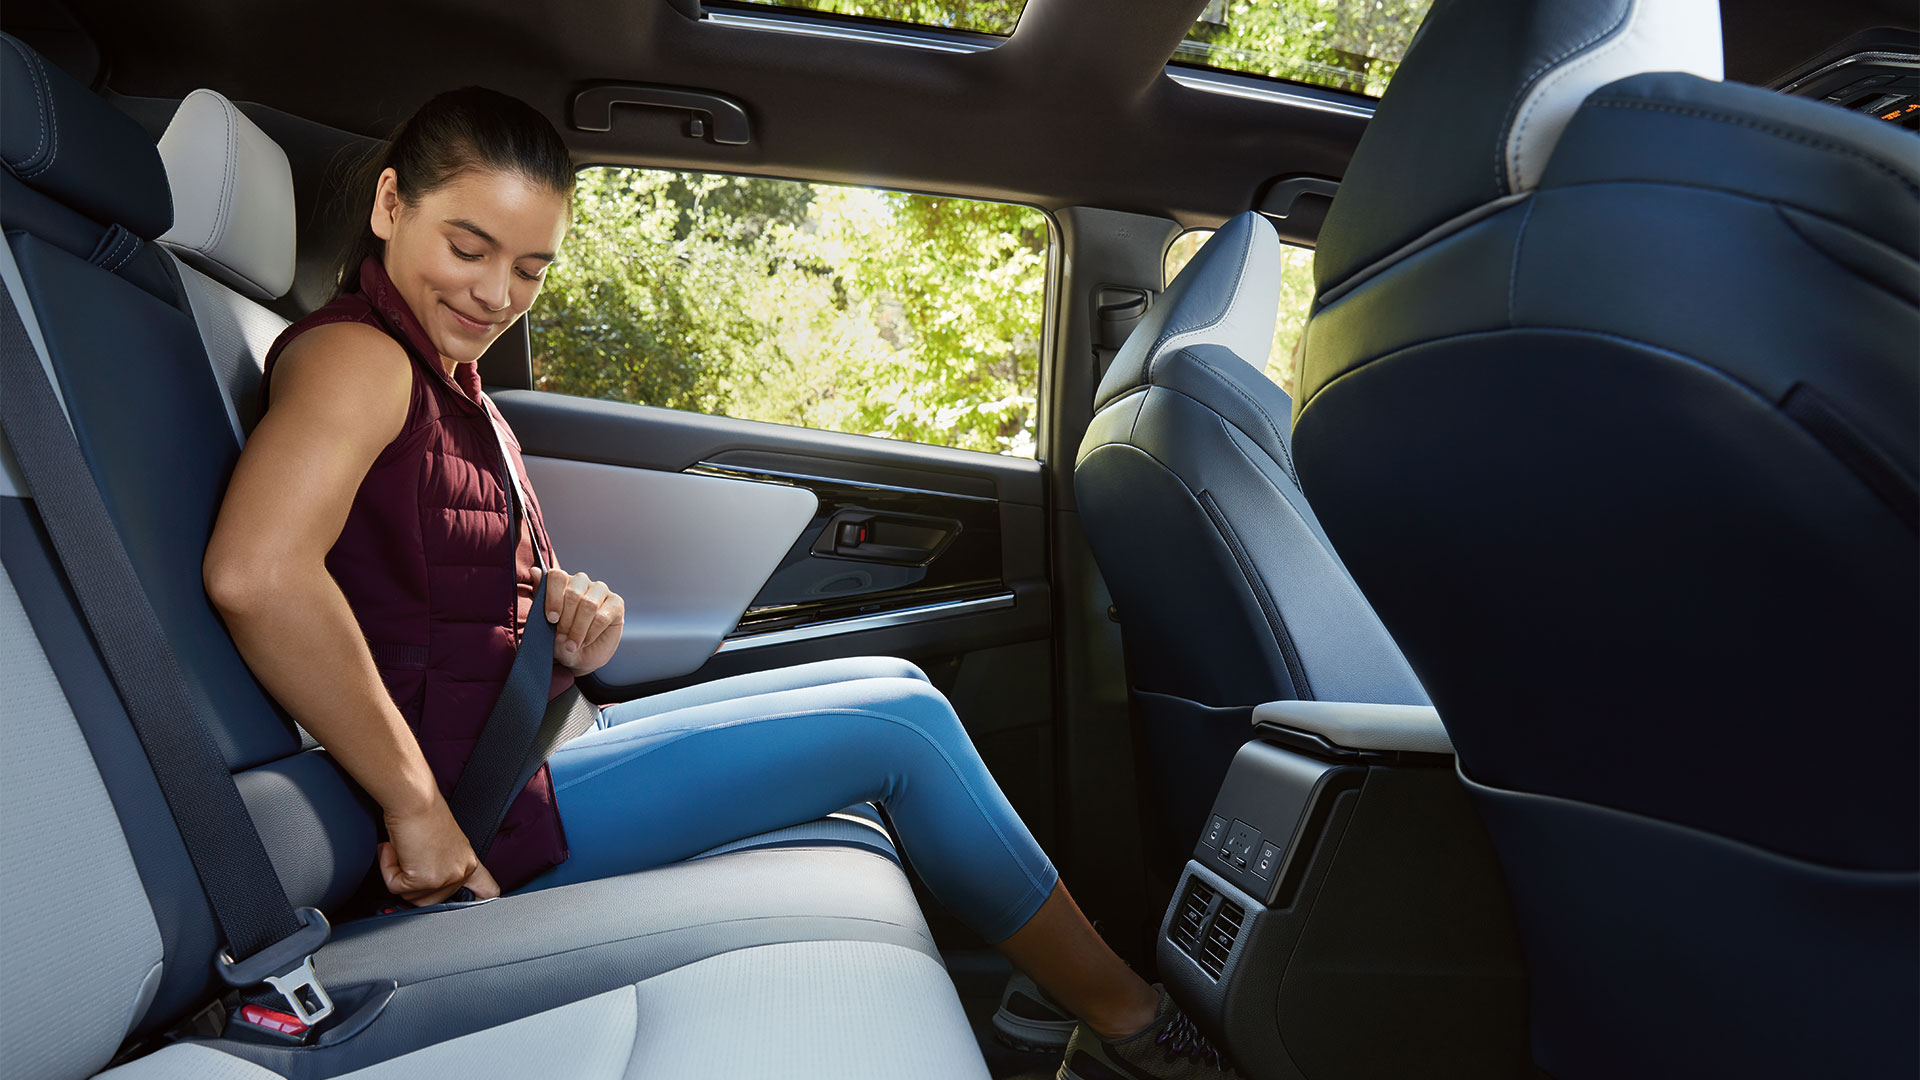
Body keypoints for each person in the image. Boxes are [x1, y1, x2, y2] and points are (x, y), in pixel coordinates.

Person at [202, 85, 1236, 1080]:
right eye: (466, 248)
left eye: (530, 268)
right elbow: (259, 573)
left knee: (900, 692)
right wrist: (417, 807)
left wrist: (563, 605)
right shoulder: (362, 359)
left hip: (531, 749)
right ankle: (1134, 1026)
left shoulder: (448, 379)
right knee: (901, 735)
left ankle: (1095, 1007)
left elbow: (425, 576)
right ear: (391, 204)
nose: (493, 293)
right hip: (483, 811)